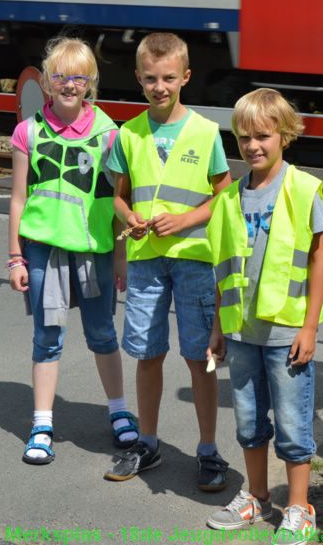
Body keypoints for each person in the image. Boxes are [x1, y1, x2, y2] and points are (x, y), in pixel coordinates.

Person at [103, 32, 233, 491]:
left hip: (194, 259)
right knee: (148, 353)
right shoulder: (127, 134)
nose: (160, 86)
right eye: (151, 78)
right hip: (145, 262)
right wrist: (130, 216)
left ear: (186, 77)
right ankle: (149, 440)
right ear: (138, 78)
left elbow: (223, 195)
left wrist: (184, 220)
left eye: (169, 78)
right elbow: (117, 198)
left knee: (199, 357)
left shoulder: (205, 132)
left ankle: (208, 449)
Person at [204, 89, 323, 544]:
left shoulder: (302, 188)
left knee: (294, 426)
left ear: (284, 135)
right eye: (243, 138)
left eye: (263, 136)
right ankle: (257, 496)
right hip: (241, 333)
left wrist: (309, 326)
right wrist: (219, 327)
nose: (253, 146)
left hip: (287, 333)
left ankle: (300, 508)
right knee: (249, 422)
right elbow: (223, 269)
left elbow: (318, 259)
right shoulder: (230, 198)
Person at [7, 36, 137, 466]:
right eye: (59, 76)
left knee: (102, 334)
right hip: (43, 251)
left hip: (94, 252)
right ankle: (41, 424)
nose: (69, 84)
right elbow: (18, 199)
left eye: (78, 76)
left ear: (91, 82)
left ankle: (119, 412)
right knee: (47, 339)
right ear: (45, 81)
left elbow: (119, 199)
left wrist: (120, 256)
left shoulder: (108, 133)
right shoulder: (28, 131)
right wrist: (16, 256)